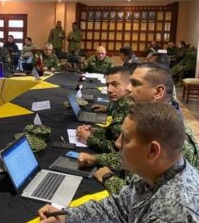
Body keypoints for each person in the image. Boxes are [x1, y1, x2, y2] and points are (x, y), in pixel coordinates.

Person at [39, 103, 199, 223]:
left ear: (152, 151)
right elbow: (119, 208)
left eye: (126, 139)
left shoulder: (171, 213)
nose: (117, 143)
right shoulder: (153, 172)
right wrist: (67, 215)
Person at [78, 63, 199, 194]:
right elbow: (131, 155)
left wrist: (108, 178)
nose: (128, 89)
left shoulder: (174, 138)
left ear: (158, 92)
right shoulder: (150, 121)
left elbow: (148, 198)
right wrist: (96, 159)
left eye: (135, 84)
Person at [76, 67, 131, 153]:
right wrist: (93, 131)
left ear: (129, 85)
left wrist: (88, 139)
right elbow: (114, 134)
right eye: (107, 85)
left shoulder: (130, 108)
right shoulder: (119, 102)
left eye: (115, 84)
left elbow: (121, 151)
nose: (109, 90)